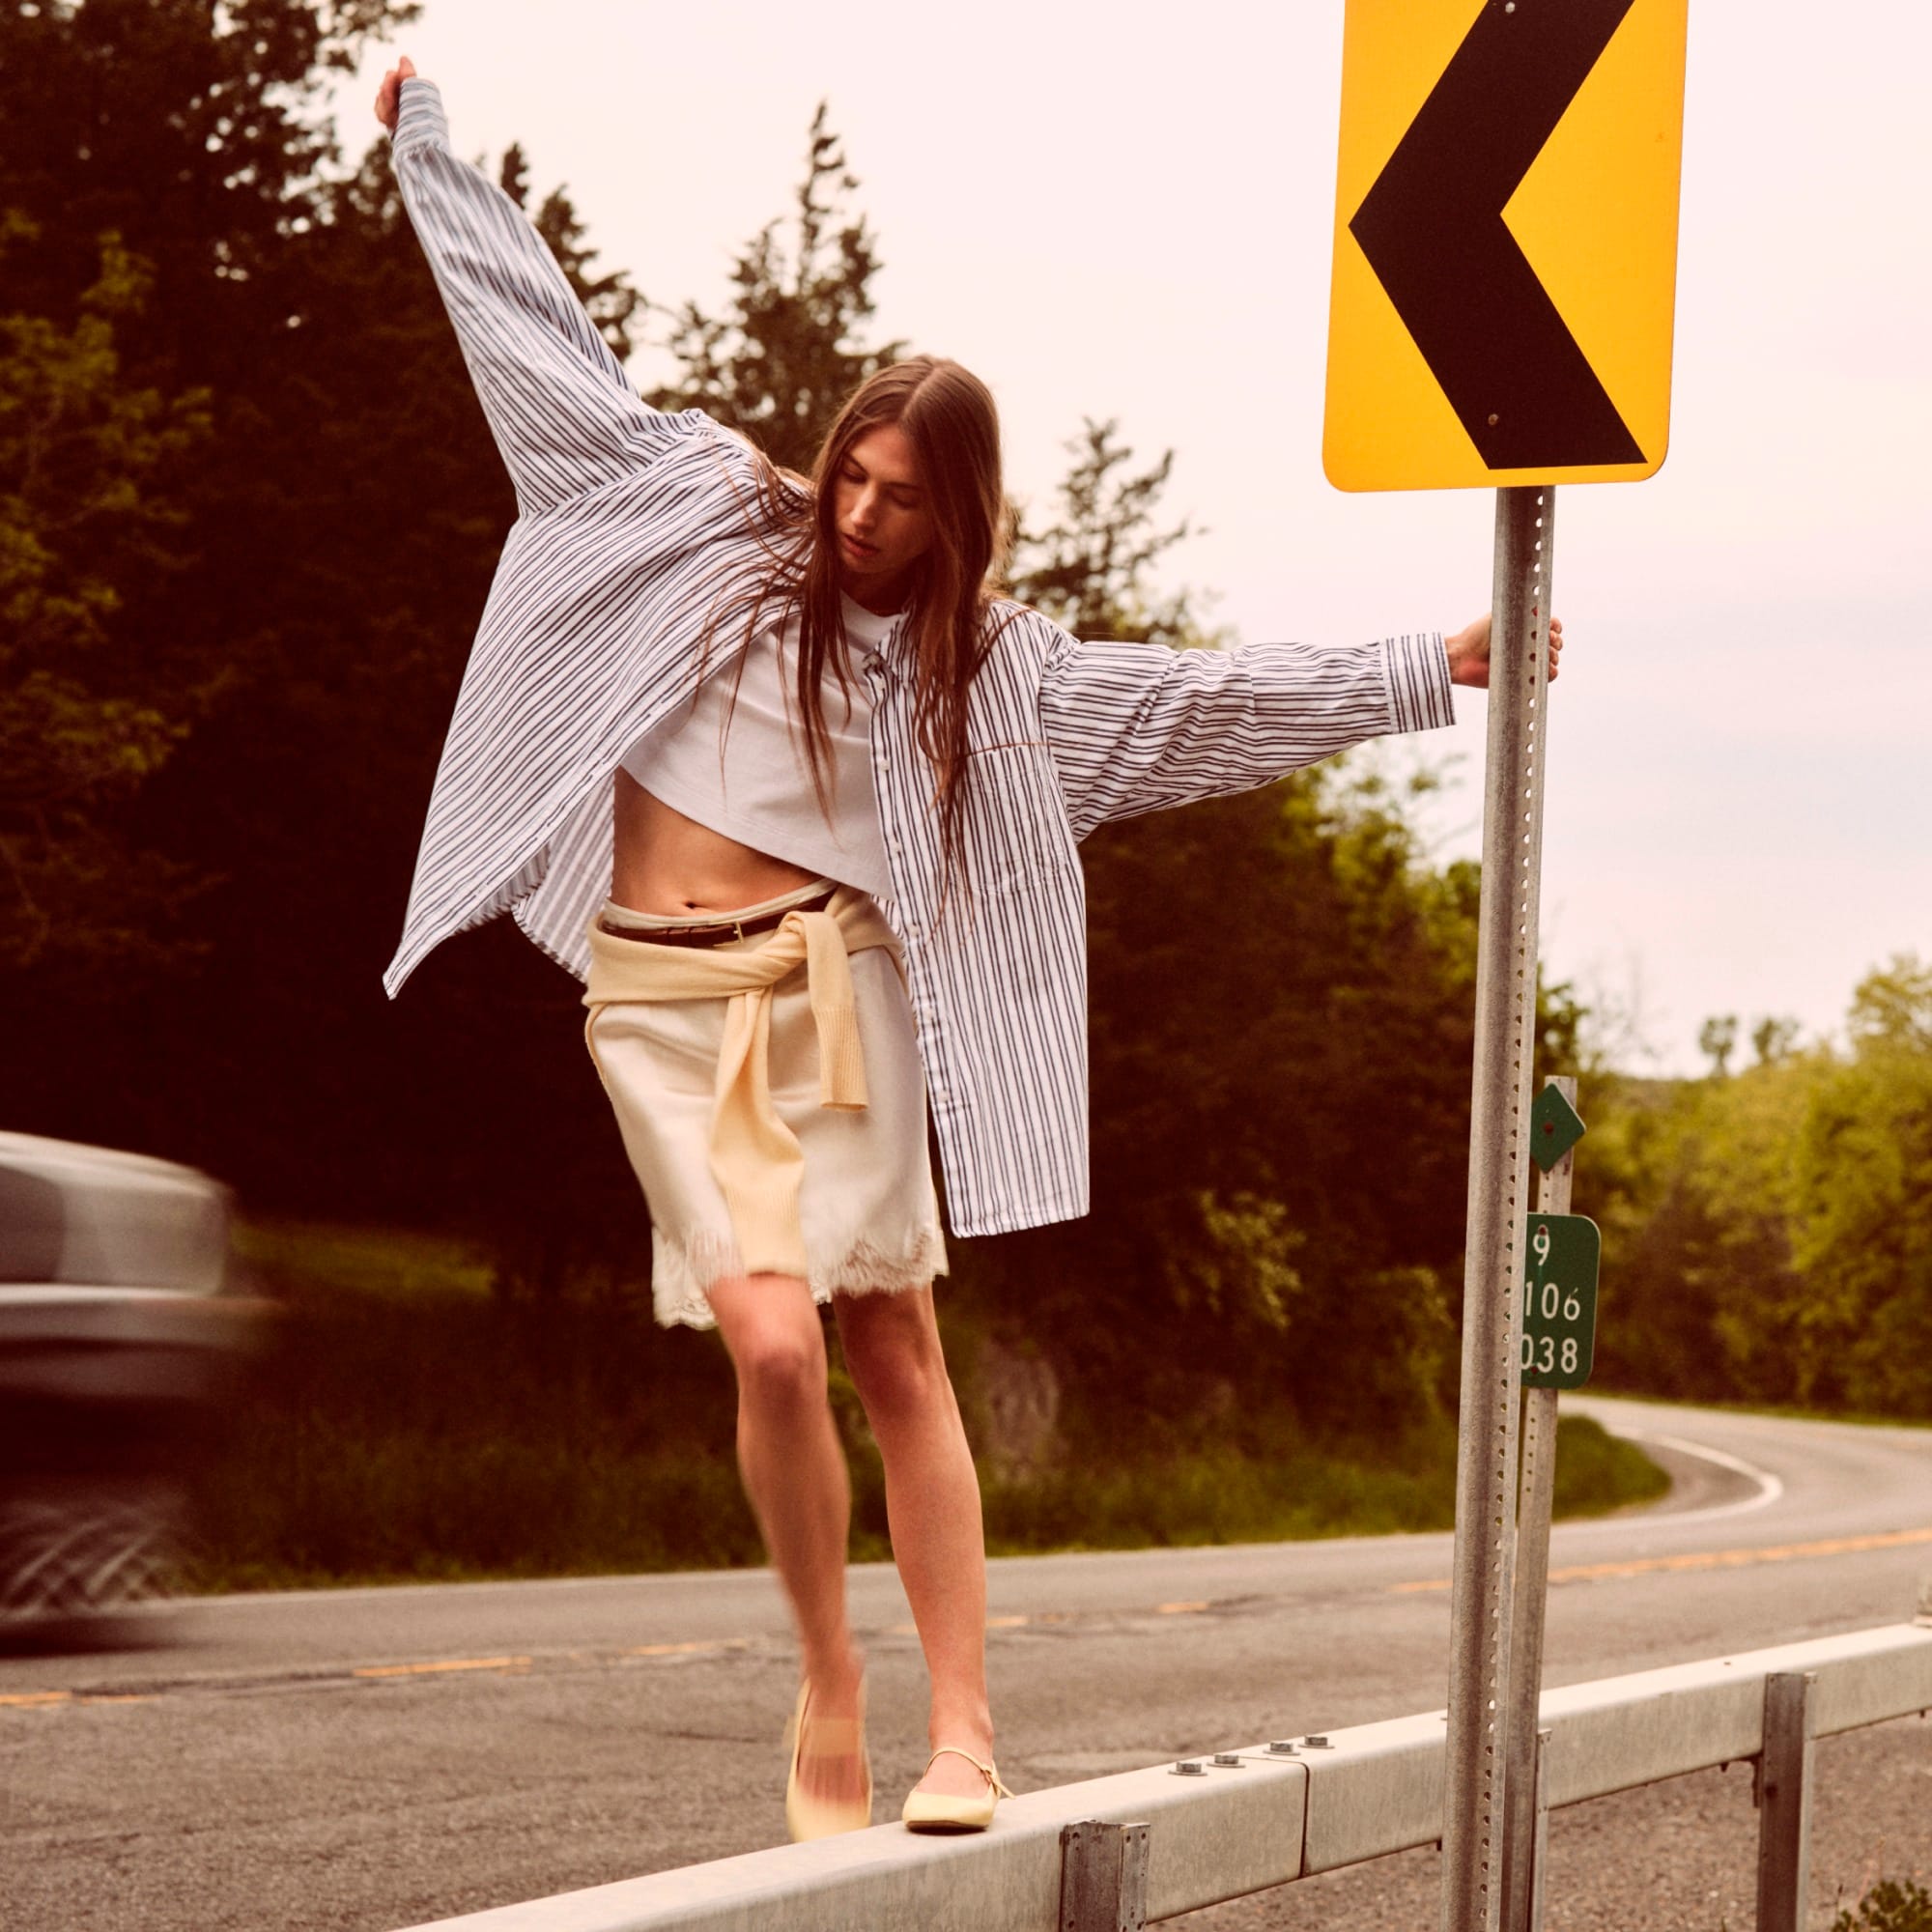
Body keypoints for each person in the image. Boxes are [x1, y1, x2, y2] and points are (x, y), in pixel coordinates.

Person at [372, 59, 1559, 1843]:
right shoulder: (704, 512)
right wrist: (428, 150)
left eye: (905, 497)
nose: (860, 518)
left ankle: (965, 1731)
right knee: (767, 1348)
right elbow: (544, 353)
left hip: (837, 998)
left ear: (960, 513)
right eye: (852, 476)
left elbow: (1201, 706)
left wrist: (1427, 668)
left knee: (889, 1350)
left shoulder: (999, 686)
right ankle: (825, 1672)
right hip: (656, 1001)